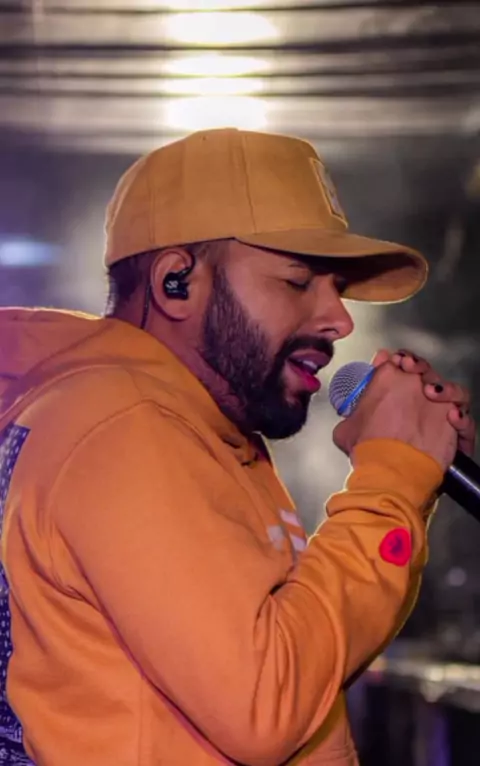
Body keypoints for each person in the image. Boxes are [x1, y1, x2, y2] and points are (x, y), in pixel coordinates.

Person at [0, 128, 475, 766]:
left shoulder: (183, 427)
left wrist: (409, 481)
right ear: (176, 282)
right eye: (298, 281)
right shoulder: (123, 424)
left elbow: (301, 660)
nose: (340, 320)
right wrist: (391, 477)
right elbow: (264, 705)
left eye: (336, 287)